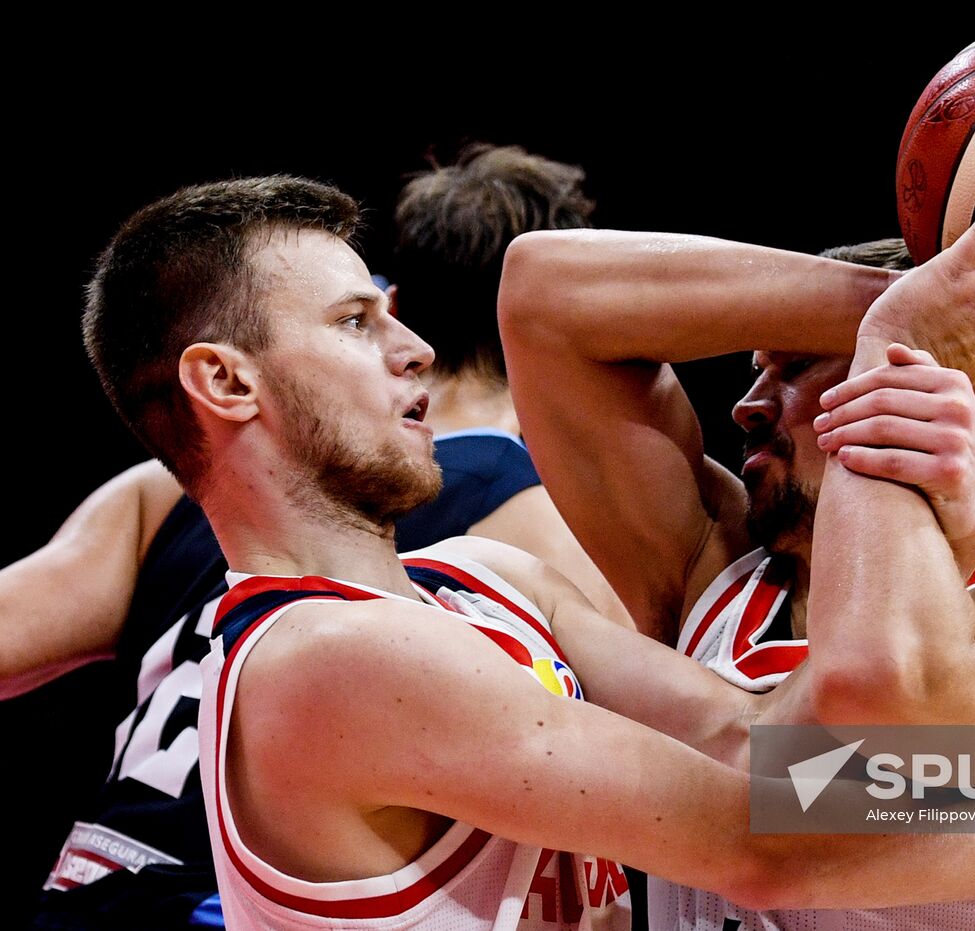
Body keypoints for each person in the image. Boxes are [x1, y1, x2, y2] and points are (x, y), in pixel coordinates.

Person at [77, 176, 975, 929]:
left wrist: (908, 344)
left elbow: (761, 746)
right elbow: (761, 819)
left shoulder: (491, 587)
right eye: (358, 322)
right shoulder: (338, 657)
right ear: (224, 382)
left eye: (797, 369)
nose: (419, 352)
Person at [6, 144, 623, 929]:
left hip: (88, 886)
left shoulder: (172, 489)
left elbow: (725, 762)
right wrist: (832, 337)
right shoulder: (491, 545)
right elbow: (742, 807)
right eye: (355, 319)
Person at [497, 194, 975, 928]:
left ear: (945, 401)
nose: (746, 403)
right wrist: (909, 316)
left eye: (796, 364)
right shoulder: (716, 568)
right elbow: (542, 297)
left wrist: (907, 335)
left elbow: (865, 687)